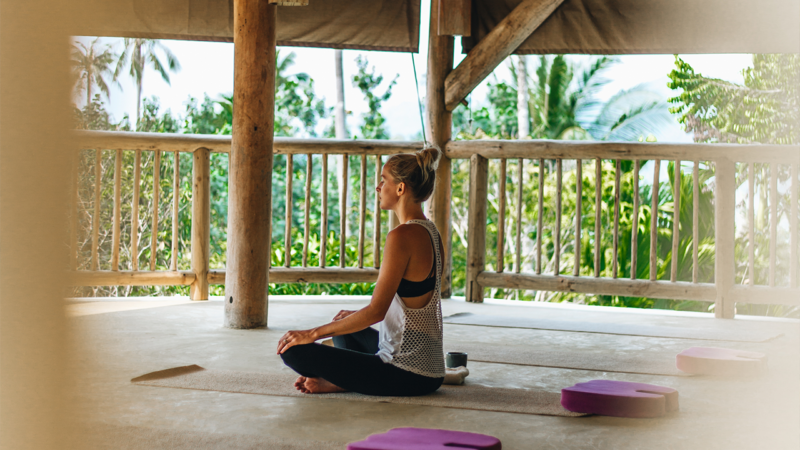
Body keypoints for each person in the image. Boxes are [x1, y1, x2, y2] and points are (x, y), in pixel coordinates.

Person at [277, 146, 445, 396]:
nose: (378, 187)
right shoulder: (430, 230)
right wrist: (353, 317)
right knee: (344, 323)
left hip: (407, 372)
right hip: (430, 364)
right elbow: (410, 300)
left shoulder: (402, 236)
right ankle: (346, 377)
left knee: (293, 350)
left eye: (384, 180)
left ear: (400, 189)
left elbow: (376, 312)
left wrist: (311, 334)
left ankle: (340, 382)